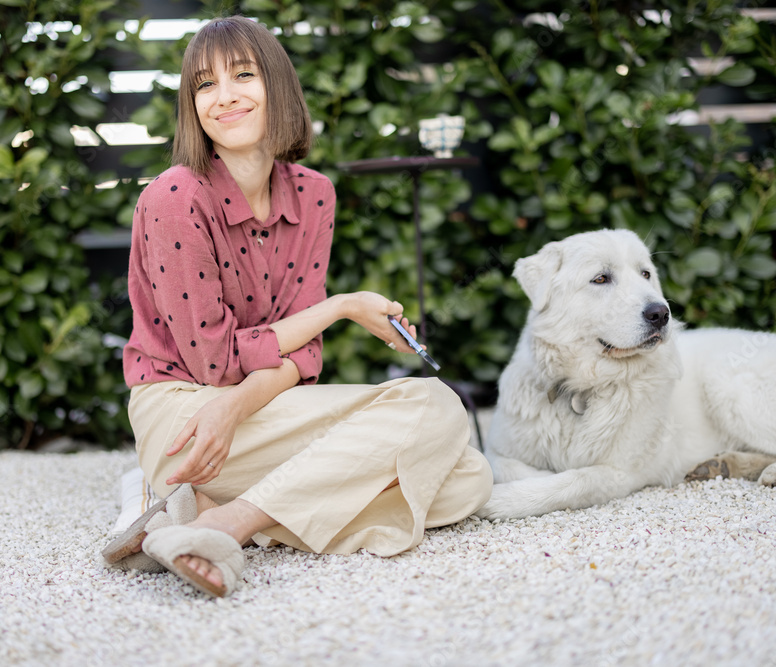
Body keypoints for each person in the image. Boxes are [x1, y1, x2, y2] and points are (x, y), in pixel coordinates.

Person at [111, 15, 492, 597]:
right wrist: (340, 306)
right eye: (204, 84)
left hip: (246, 411)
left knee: (468, 478)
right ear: (192, 105)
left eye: (244, 75)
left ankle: (211, 515)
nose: (225, 96)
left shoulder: (314, 194)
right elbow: (212, 361)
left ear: (279, 88)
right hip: (184, 415)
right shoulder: (174, 196)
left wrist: (237, 407)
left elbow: (302, 356)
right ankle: (200, 503)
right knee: (433, 410)